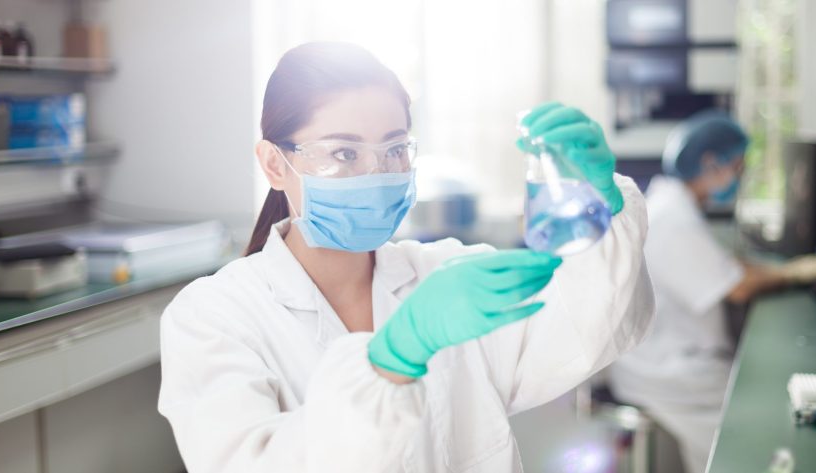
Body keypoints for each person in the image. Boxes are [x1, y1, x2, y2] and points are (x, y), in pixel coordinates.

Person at [156, 42, 655, 473]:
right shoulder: (214, 317)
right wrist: (391, 361)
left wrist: (599, 205)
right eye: (345, 154)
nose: (378, 173)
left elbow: (585, 326)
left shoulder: (447, 278)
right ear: (274, 163)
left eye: (395, 149)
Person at [607, 111, 816, 473]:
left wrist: (782, 270)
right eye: (738, 166)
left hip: (668, 361)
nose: (740, 176)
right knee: (763, 435)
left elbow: (726, 267)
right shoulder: (672, 218)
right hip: (672, 369)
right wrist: (793, 274)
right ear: (710, 162)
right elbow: (736, 286)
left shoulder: (671, 203)